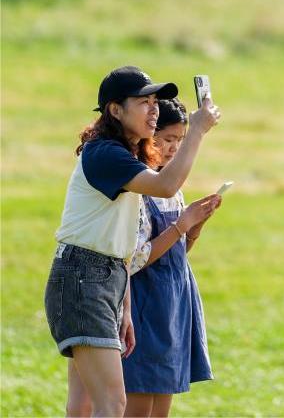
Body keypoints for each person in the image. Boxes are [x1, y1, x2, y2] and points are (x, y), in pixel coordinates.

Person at [45, 66, 219, 417]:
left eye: (156, 102)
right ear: (115, 110)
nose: (154, 109)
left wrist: (124, 306)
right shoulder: (105, 154)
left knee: (95, 404)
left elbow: (121, 243)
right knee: (111, 403)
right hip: (83, 278)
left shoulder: (124, 158)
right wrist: (197, 130)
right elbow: (166, 185)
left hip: (107, 279)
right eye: (143, 102)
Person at [122, 98, 222, 417]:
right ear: (147, 135)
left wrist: (195, 227)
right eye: (167, 139)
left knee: (162, 407)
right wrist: (181, 225)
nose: (174, 148)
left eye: (180, 140)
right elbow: (136, 259)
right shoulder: (140, 186)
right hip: (143, 306)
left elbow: (176, 254)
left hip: (173, 307)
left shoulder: (172, 187)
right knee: (138, 404)